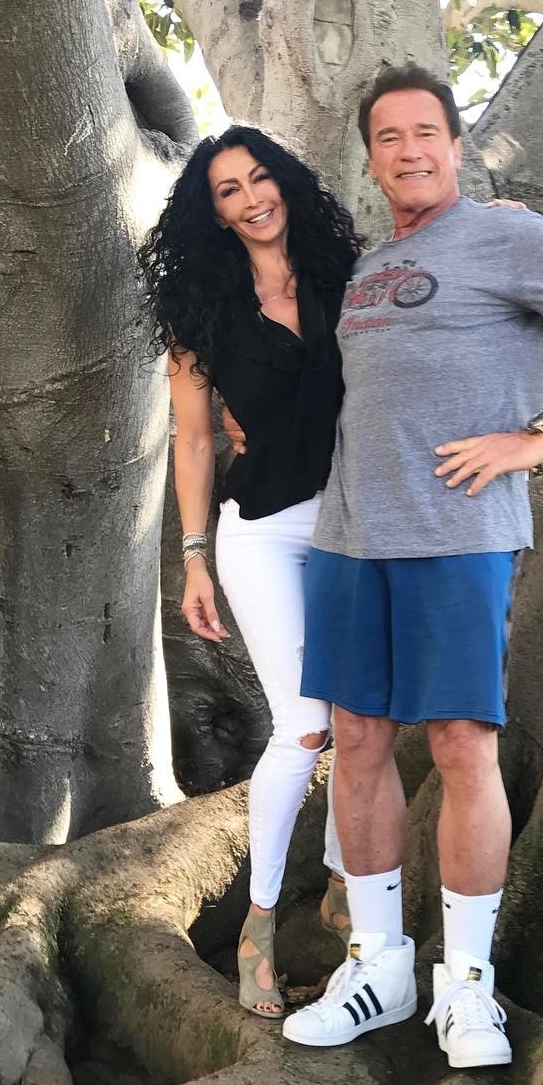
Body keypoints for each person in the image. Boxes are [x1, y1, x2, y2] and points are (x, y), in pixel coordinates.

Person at [281, 66, 543, 1068]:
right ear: (372, 159)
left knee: (461, 746)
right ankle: (380, 967)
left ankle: (468, 984)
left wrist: (541, 437)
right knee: (358, 741)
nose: (408, 150)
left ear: (455, 146)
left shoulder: (509, 237)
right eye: (388, 136)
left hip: (455, 537)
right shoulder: (367, 268)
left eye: (426, 132)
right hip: (350, 537)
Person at [138, 126, 362, 1017]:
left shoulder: (347, 278)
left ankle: (343, 884)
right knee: (304, 723)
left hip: (360, 523)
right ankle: (259, 920)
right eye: (228, 190)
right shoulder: (203, 310)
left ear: (287, 184)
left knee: (363, 716)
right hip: (264, 529)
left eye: (259, 178)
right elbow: (195, 439)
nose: (250, 198)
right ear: (216, 213)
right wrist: (194, 557)